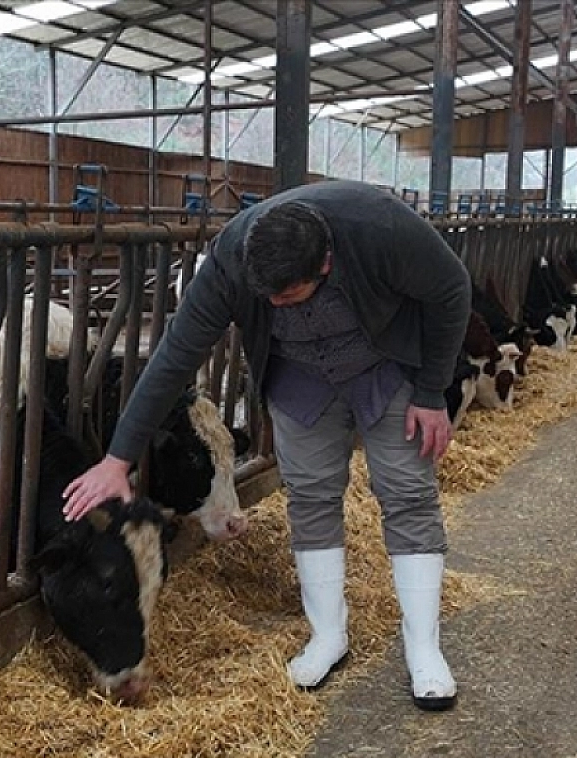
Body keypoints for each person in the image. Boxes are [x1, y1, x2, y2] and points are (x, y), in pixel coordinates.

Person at [60, 180, 469, 709]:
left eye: (287, 296)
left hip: (386, 366)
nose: (274, 304)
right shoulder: (232, 261)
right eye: (266, 297)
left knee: (407, 491)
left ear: (324, 264)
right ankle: (328, 637)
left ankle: (424, 651)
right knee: (311, 494)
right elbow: (174, 357)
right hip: (300, 377)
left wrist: (433, 391)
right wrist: (116, 460)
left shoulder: (381, 227)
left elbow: (452, 289)